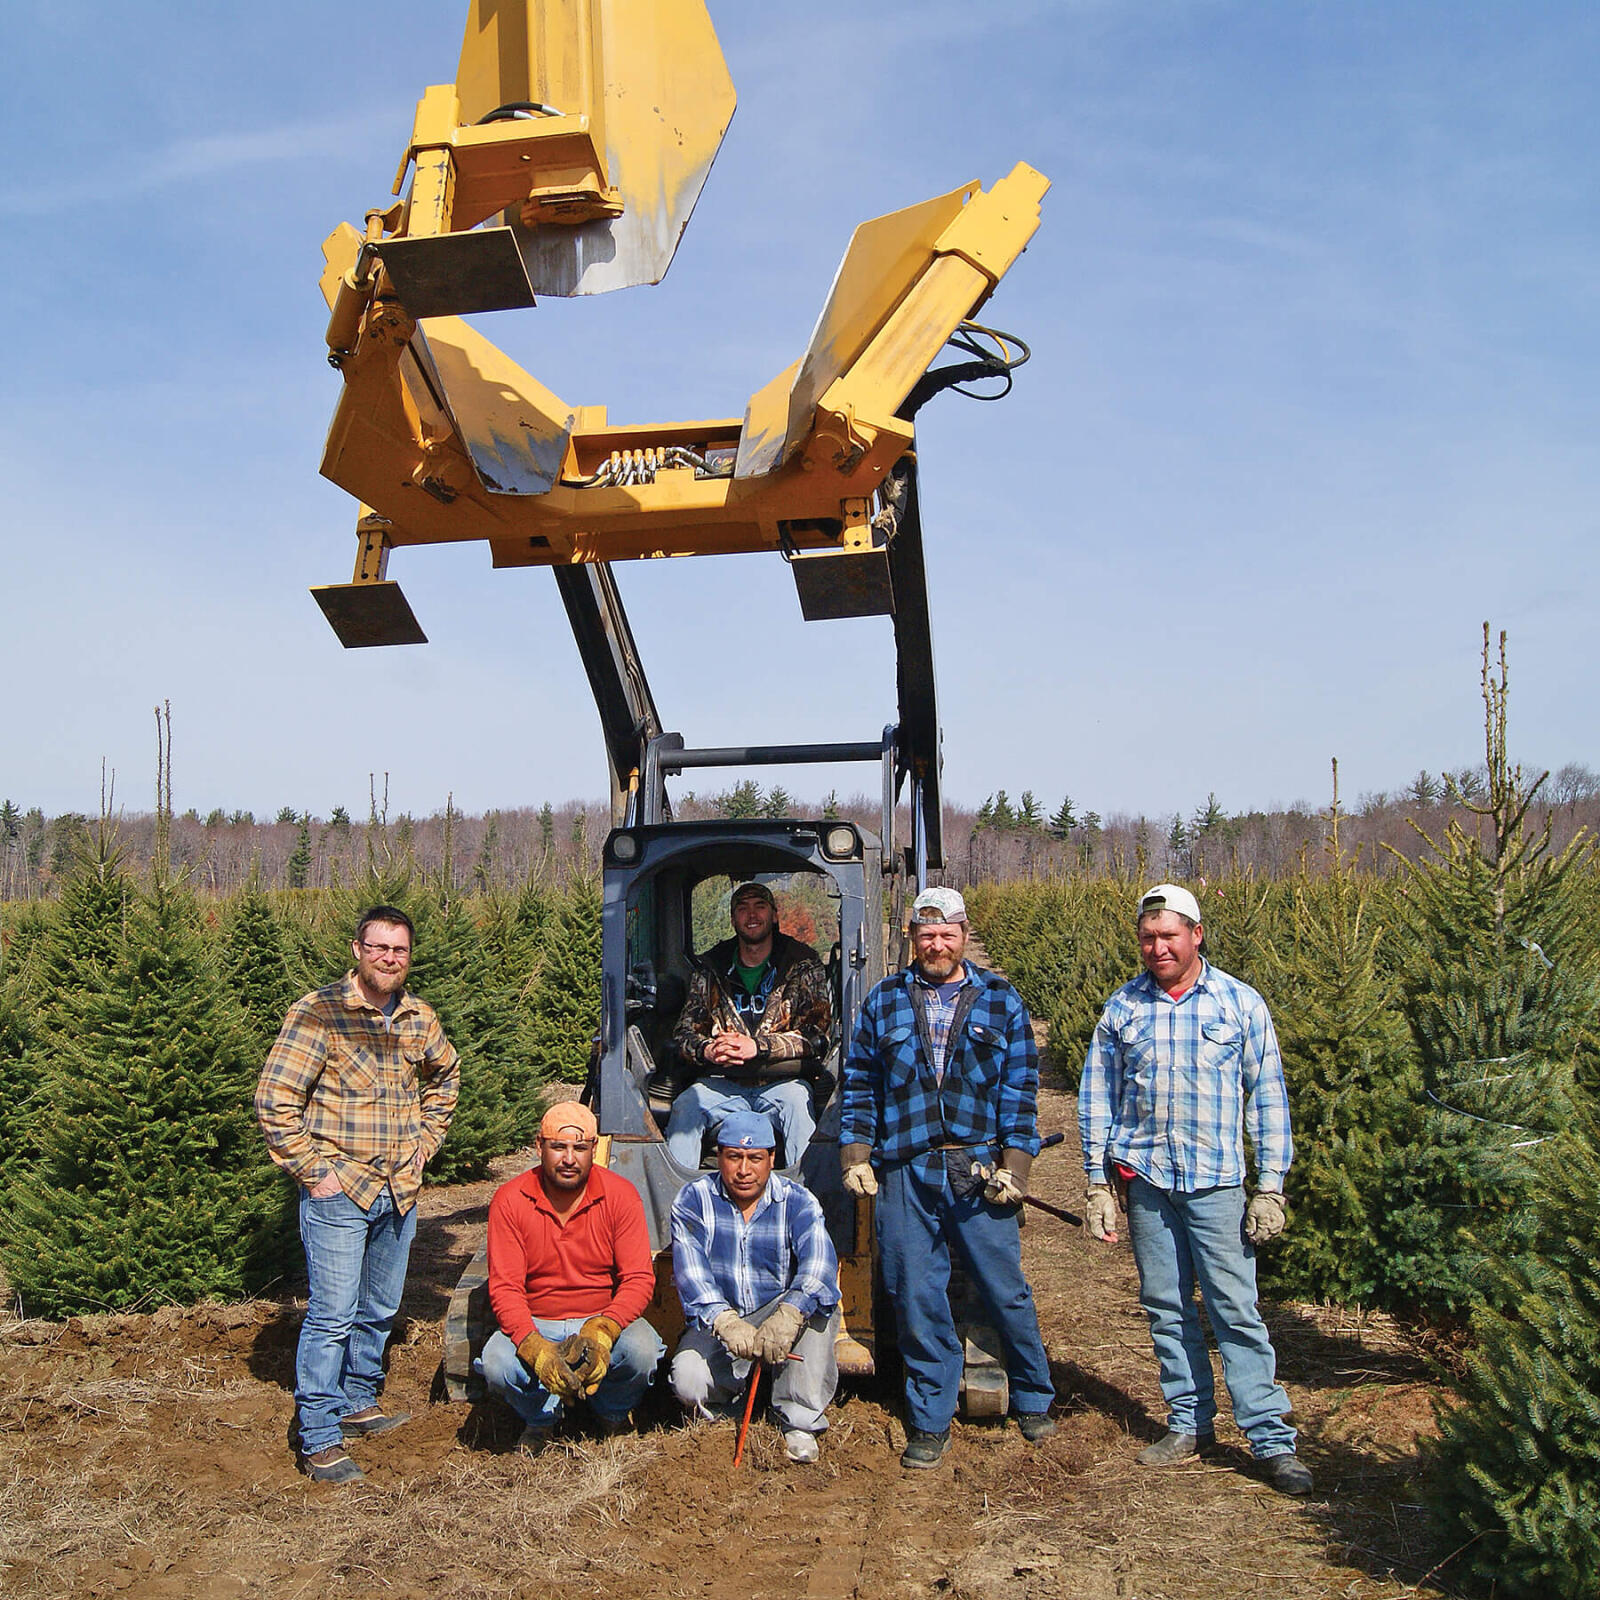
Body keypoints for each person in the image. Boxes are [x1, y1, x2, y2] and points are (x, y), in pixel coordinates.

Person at [1079, 883, 1313, 1496]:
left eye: (1169, 936)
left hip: (1216, 1184)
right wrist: (1097, 1182)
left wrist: (1271, 1187)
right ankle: (1189, 1422)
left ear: (1196, 935)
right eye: (1148, 938)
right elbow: (1097, 1096)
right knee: (1166, 1305)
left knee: (1235, 1308)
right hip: (1148, 1180)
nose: (1158, 948)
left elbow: (1267, 1096)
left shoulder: (1239, 1003)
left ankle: (1269, 1438)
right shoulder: (1123, 1008)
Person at [839, 886, 1056, 1469]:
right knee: (914, 1293)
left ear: (963, 934)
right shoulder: (883, 1001)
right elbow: (859, 1084)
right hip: (906, 1167)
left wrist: (1016, 1167)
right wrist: (856, 1154)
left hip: (977, 1166)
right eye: (926, 934)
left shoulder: (1001, 1000)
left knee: (1002, 1286)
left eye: (948, 934)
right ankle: (930, 1417)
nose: (937, 944)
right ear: (912, 936)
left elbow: (1019, 1091)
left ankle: (1035, 1395)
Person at [256, 905, 459, 1484]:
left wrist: (427, 1141)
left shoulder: (420, 1017)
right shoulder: (320, 1013)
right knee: (332, 1315)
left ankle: (358, 1397)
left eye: (399, 950)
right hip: (340, 1191)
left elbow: (447, 1077)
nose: (389, 959)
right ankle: (318, 1433)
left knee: (380, 1307)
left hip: (400, 1190)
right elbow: (274, 1099)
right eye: (379, 948)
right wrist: (315, 1173)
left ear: (408, 956)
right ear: (357, 950)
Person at [480, 1101, 664, 1454]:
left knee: (642, 1350)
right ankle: (540, 1419)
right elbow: (505, 1288)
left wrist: (605, 1328)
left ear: (594, 1150)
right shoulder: (510, 1200)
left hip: (599, 1314)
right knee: (497, 1362)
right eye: (558, 1147)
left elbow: (639, 1278)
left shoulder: (621, 1196)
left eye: (580, 1148)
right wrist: (534, 1347)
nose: (569, 1159)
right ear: (539, 1147)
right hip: (538, 1319)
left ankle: (611, 1412)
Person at [668, 1110, 841, 1463]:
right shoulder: (693, 1200)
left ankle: (799, 1420)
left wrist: (790, 1314)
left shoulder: (798, 1200)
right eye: (734, 1157)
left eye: (755, 1158)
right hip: (722, 1313)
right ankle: (721, 1414)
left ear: (772, 1159)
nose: (744, 1170)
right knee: (688, 1378)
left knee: (821, 1305)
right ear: (719, 1157)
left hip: (779, 1306)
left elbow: (819, 1264)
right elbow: (691, 1274)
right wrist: (726, 1322)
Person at [664, 881, 833, 1169]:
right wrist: (707, 1050)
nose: (751, 915)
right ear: (733, 920)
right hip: (722, 1084)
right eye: (742, 909)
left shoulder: (802, 964)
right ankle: (678, 1206)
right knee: (685, 1107)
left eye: (760, 907)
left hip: (783, 1084)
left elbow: (816, 1037)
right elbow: (684, 1032)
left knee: (799, 1109)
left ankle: (809, 1201)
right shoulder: (710, 968)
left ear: (774, 915)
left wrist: (758, 1047)